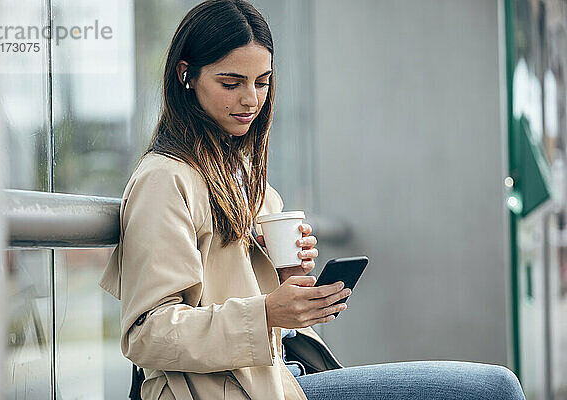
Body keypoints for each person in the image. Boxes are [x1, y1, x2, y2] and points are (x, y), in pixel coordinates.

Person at [99, 1, 527, 399]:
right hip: (235, 389)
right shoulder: (164, 179)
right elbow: (146, 334)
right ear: (184, 75)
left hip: (284, 374)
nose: (251, 99)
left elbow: (249, 293)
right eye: (231, 83)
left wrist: (288, 275)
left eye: (262, 82)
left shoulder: (242, 173)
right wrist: (265, 313)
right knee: (495, 387)